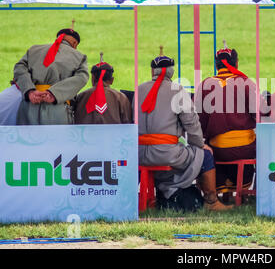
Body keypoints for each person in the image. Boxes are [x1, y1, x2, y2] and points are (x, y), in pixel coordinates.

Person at [134, 51, 231, 211]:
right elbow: (192, 124)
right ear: (172, 71)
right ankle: (212, 202)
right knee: (205, 155)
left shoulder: (139, 90)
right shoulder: (177, 91)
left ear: (152, 71)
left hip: (138, 153)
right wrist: (199, 144)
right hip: (166, 154)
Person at [195, 45, 261, 198]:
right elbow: (259, 113)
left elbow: (199, 119)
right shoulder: (246, 83)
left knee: (211, 146)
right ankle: (243, 193)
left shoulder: (205, 84)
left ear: (217, 65)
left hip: (218, 149)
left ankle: (225, 194)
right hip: (245, 148)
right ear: (236, 63)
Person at [13, 29, 89, 125]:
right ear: (74, 44)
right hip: (57, 108)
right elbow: (82, 78)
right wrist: (54, 93)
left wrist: (30, 91)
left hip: (29, 106)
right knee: (56, 139)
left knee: (26, 138)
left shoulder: (33, 50)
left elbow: (19, 68)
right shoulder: (79, 57)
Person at [73, 58, 132, 124]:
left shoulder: (81, 96)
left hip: (86, 133)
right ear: (112, 80)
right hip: (114, 133)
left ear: (93, 78)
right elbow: (127, 123)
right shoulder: (121, 97)